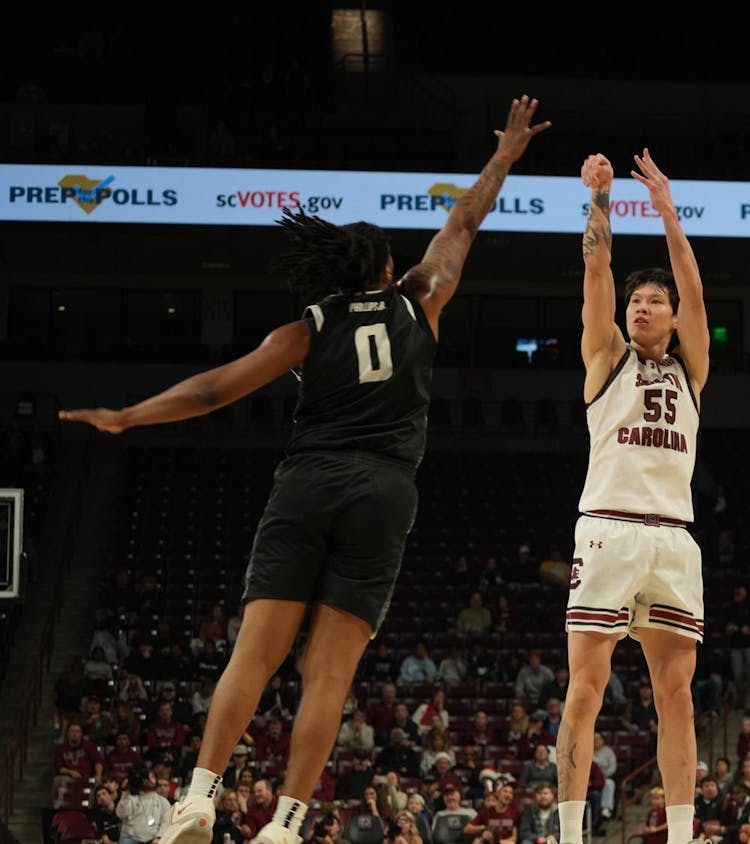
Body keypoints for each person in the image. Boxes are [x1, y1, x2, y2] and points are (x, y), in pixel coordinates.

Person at [58, 96, 550, 844]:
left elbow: (212, 389)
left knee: (254, 656)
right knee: (328, 674)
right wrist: (503, 157)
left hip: (311, 480)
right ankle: (286, 823)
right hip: (385, 492)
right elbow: (462, 223)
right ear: (389, 269)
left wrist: (127, 418)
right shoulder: (422, 302)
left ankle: (197, 798)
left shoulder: (305, 328)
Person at [555, 147, 711, 844]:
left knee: (676, 699)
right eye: (636, 301)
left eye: (655, 302)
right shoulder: (605, 357)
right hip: (610, 529)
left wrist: (668, 210)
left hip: (675, 537)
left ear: (672, 319)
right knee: (585, 690)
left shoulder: (691, 370)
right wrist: (601, 199)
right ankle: (567, 832)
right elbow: (595, 269)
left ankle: (681, 836)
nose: (643, 306)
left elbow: (696, 291)